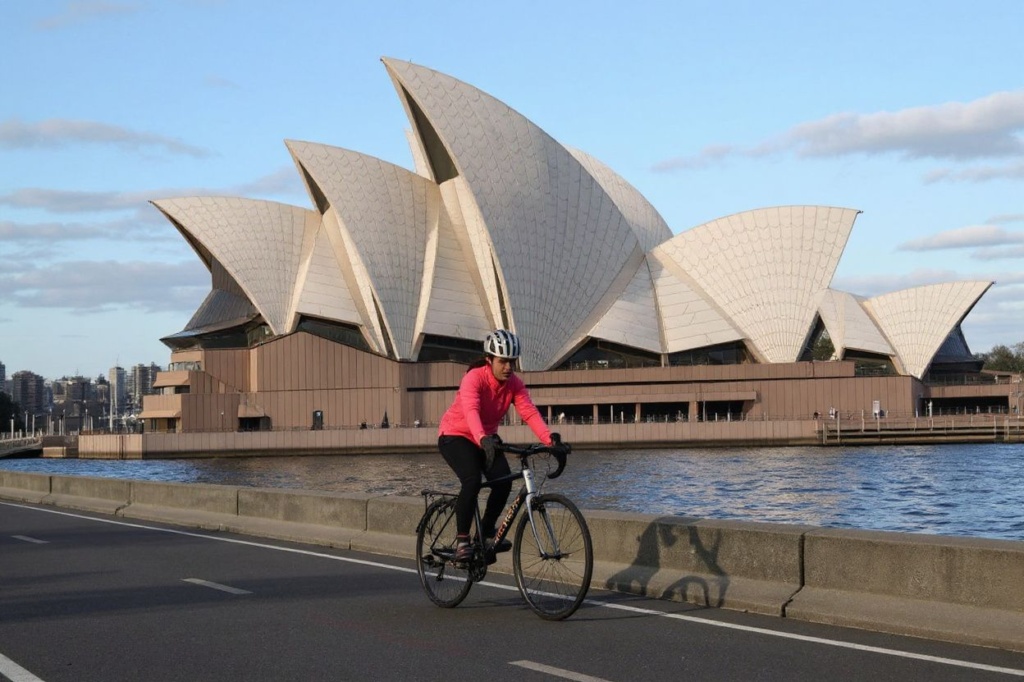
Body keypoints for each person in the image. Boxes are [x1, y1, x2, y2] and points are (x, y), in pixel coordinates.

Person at [437, 328, 565, 563]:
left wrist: (550, 441)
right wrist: (482, 438)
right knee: (472, 480)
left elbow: (528, 411)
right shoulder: (474, 378)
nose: (508, 367)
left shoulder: (514, 384)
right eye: (503, 361)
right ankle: (463, 541)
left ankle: (485, 532)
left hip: (486, 439)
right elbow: (471, 410)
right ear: (489, 360)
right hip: (455, 435)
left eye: (512, 362)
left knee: (504, 482)